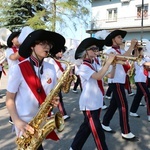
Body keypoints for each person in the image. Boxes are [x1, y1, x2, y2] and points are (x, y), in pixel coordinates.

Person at [5, 29, 64, 150]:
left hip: (42, 120)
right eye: (43, 43)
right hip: (24, 122)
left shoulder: (51, 68)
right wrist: (16, 121)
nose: (47, 47)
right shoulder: (18, 68)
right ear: (32, 45)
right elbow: (9, 99)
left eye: (49, 44)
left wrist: (54, 100)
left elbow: (51, 94)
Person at [70, 37, 116, 150]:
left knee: (86, 128)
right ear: (86, 51)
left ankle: (74, 147)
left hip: (97, 101)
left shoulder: (95, 63)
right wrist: (108, 62)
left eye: (97, 49)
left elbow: (110, 76)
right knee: (98, 133)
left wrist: (114, 65)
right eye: (93, 49)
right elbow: (98, 76)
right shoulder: (83, 66)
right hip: (89, 103)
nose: (96, 51)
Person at [101, 29, 139, 141]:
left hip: (121, 80)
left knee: (114, 104)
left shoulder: (121, 50)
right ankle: (125, 131)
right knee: (123, 106)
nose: (121, 39)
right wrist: (131, 46)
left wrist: (136, 48)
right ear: (113, 39)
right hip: (115, 81)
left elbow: (134, 58)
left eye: (121, 37)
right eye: (119, 37)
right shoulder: (110, 51)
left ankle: (105, 122)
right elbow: (124, 58)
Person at [45, 44, 70, 120]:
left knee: (53, 99)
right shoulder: (50, 61)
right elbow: (50, 73)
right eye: (59, 52)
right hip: (54, 83)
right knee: (58, 98)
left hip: (60, 82)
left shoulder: (62, 61)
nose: (61, 53)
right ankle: (63, 114)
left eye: (62, 52)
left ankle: (49, 112)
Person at [129, 47, 150, 121]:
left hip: (145, 79)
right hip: (140, 80)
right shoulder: (137, 60)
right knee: (147, 95)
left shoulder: (145, 58)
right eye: (141, 51)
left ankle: (132, 111)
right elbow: (147, 65)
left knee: (138, 96)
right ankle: (149, 114)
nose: (143, 52)